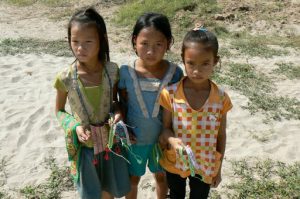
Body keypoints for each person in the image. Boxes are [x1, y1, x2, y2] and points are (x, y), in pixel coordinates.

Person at [54, 7, 130, 199]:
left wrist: (118, 113)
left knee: (108, 193)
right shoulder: (65, 77)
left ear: (102, 40)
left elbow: (114, 103)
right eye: (75, 41)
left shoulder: (112, 72)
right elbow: (59, 111)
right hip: (85, 150)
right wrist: (75, 126)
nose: (80, 48)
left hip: (110, 147)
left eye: (88, 41)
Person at [158, 26, 233, 199]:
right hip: (175, 161)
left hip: (205, 164)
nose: (197, 71)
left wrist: (218, 169)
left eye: (205, 63)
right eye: (191, 63)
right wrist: (172, 140)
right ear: (183, 60)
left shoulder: (221, 99)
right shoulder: (170, 94)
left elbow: (221, 136)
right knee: (176, 195)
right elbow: (165, 128)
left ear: (216, 61)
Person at [118, 12, 183, 199]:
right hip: (134, 141)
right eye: (144, 43)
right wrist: (122, 126)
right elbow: (122, 103)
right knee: (133, 180)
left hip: (162, 141)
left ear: (169, 43)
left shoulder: (175, 73)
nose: (150, 51)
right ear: (134, 41)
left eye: (158, 45)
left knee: (162, 178)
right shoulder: (126, 72)